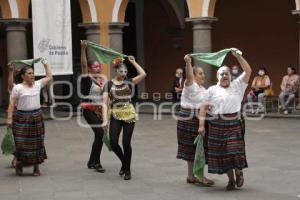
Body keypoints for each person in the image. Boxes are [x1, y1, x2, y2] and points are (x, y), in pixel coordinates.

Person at [199, 48, 252, 190]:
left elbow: (248, 71)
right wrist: (201, 125)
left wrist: (238, 57)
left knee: (233, 151)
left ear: (230, 76)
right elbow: (203, 108)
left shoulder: (238, 85)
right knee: (224, 155)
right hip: (217, 124)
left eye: (226, 73)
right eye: (221, 74)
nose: (224, 76)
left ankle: (239, 172)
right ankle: (231, 180)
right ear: (218, 76)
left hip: (234, 123)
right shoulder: (211, 90)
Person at [101, 56, 146, 180]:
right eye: (121, 71)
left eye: (125, 72)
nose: (124, 74)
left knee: (126, 142)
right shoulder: (108, 84)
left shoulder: (129, 82)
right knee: (113, 142)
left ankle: (127, 170)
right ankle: (124, 163)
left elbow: (143, 74)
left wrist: (133, 62)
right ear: (116, 71)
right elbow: (104, 103)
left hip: (129, 114)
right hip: (115, 114)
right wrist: (105, 120)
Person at [7, 58, 52, 176]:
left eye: (33, 73)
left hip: (37, 117)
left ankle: (36, 167)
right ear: (23, 76)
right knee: (21, 142)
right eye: (29, 73)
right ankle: (19, 163)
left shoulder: (37, 84)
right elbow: (12, 104)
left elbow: (49, 77)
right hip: (21, 117)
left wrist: (45, 64)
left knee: (37, 142)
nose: (32, 75)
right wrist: (9, 119)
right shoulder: (18, 88)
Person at [176, 55, 213, 186]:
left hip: (197, 118)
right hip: (188, 118)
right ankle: (198, 176)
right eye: (201, 73)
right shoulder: (190, 85)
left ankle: (191, 176)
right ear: (194, 75)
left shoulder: (203, 89)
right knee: (194, 148)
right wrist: (188, 63)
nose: (203, 76)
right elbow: (189, 76)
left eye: (203, 73)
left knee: (195, 148)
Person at [80, 41, 106, 172]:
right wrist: (83, 50)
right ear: (90, 69)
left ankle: (91, 161)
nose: (98, 68)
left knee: (99, 136)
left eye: (99, 66)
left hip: (100, 110)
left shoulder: (102, 80)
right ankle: (96, 162)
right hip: (89, 109)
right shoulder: (86, 78)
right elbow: (83, 64)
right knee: (100, 133)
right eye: (95, 67)